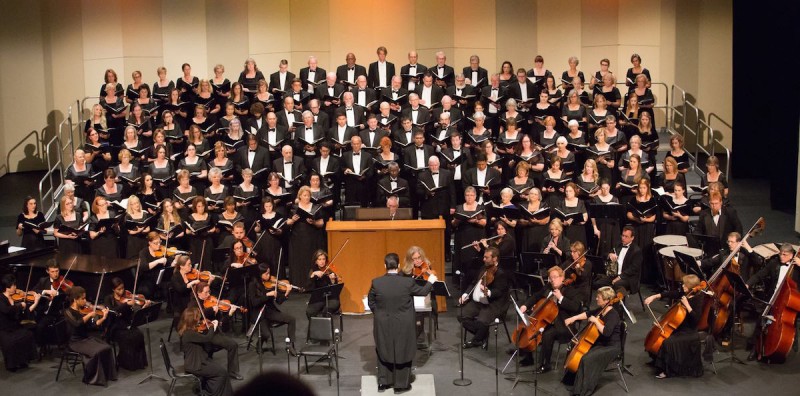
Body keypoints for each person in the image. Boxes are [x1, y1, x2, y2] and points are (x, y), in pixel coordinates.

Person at [368, 252, 437, 393]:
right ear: (398, 265)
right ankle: (400, 385)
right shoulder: (407, 282)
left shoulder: (376, 282)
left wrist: (380, 314)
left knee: (383, 348)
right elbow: (423, 291)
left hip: (382, 322)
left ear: (385, 266)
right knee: (402, 349)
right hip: (403, 322)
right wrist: (431, 281)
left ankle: (384, 383)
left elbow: (371, 302)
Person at [517, 266, 582, 370]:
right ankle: (528, 357)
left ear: (562, 277)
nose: (552, 280)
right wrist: (525, 305)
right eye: (550, 278)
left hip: (563, 325)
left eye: (555, 277)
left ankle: (545, 364)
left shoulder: (571, 290)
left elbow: (576, 307)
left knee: (547, 334)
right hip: (547, 321)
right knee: (529, 326)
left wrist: (561, 298)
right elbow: (536, 296)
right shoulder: (548, 287)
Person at [562, 286, 622, 396]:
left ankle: (583, 391)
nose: (596, 299)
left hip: (611, 347)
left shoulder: (613, 314)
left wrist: (596, 321)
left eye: (598, 297)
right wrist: (573, 318)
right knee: (579, 352)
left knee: (587, 359)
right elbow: (588, 314)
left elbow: (607, 332)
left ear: (606, 300)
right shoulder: (602, 309)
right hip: (601, 343)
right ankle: (573, 383)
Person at [644, 274, 706, 378]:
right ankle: (657, 361)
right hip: (679, 326)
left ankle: (668, 370)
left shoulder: (698, 299)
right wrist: (655, 296)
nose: (682, 286)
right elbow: (672, 293)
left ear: (691, 287)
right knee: (658, 336)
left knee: (667, 342)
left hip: (689, 331)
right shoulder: (685, 292)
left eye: (685, 285)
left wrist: (687, 305)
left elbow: (696, 320)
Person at [746, 243, 800, 361]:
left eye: (784, 255)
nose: (781, 257)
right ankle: (756, 349)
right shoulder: (775, 263)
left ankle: (791, 341)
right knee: (761, 320)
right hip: (772, 298)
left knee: (791, 321)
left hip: (789, 302)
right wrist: (748, 283)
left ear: (791, 256)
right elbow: (760, 274)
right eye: (780, 254)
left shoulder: (797, 268)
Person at [63, 286, 118, 386]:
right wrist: (88, 315)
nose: (85, 301)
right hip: (75, 342)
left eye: (85, 298)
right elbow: (77, 323)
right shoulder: (67, 312)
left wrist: (104, 318)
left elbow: (93, 325)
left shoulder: (84, 310)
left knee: (107, 347)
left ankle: (108, 375)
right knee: (97, 352)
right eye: (83, 299)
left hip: (86, 339)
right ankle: (94, 378)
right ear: (75, 299)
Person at [458, 246, 509, 349]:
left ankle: (476, 340)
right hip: (478, 302)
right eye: (484, 257)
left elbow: (499, 291)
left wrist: (489, 292)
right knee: (461, 315)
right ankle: (482, 335)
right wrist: (465, 294)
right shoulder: (483, 268)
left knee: (482, 321)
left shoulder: (501, 273)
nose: (483, 259)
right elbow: (473, 283)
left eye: (486, 257)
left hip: (493, 304)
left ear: (494, 258)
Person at [177, 306, 234, 396]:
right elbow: (207, 338)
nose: (200, 319)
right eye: (198, 318)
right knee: (222, 374)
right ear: (192, 320)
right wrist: (212, 326)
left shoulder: (188, 330)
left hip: (200, 360)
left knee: (221, 372)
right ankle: (213, 394)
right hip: (196, 364)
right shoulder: (189, 334)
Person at [248, 263, 298, 354]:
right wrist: (266, 295)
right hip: (259, 313)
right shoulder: (252, 285)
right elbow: (254, 302)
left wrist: (286, 293)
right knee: (266, 334)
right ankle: (259, 344)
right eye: (266, 274)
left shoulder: (271, 284)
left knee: (291, 319)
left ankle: (290, 345)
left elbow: (279, 301)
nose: (269, 276)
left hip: (270, 311)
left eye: (269, 273)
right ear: (260, 275)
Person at [103, 277, 148, 371]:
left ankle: (139, 363)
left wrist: (143, 307)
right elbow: (112, 312)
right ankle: (126, 362)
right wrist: (126, 305)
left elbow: (134, 312)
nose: (122, 291)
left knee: (139, 334)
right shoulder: (108, 299)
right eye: (118, 289)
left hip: (127, 323)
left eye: (122, 288)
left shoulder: (127, 296)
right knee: (128, 337)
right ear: (113, 289)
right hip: (115, 327)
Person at [0, 274, 40, 371]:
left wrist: (35, 302)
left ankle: (22, 360)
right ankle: (12, 365)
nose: (16, 287)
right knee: (10, 343)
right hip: (5, 329)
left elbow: (25, 312)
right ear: (8, 287)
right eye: (14, 285)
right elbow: (7, 310)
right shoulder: (1, 298)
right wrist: (19, 306)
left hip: (15, 327)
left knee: (28, 335)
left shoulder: (14, 297)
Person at [595, 226, 642, 294]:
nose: (623, 238)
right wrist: (609, 255)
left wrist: (620, 277)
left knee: (617, 284)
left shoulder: (636, 251)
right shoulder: (618, 245)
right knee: (598, 283)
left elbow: (633, 269)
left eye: (626, 236)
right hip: (614, 274)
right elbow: (605, 255)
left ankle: (618, 303)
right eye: (622, 235)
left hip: (627, 278)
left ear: (632, 238)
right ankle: (605, 303)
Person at [306, 249, 341, 319]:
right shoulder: (313, 270)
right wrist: (313, 275)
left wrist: (333, 280)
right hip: (319, 298)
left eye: (323, 259)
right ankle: (315, 328)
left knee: (327, 311)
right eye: (319, 259)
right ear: (316, 261)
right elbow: (308, 286)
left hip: (332, 298)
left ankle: (327, 328)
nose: (322, 261)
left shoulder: (330, 269)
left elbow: (336, 287)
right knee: (309, 312)